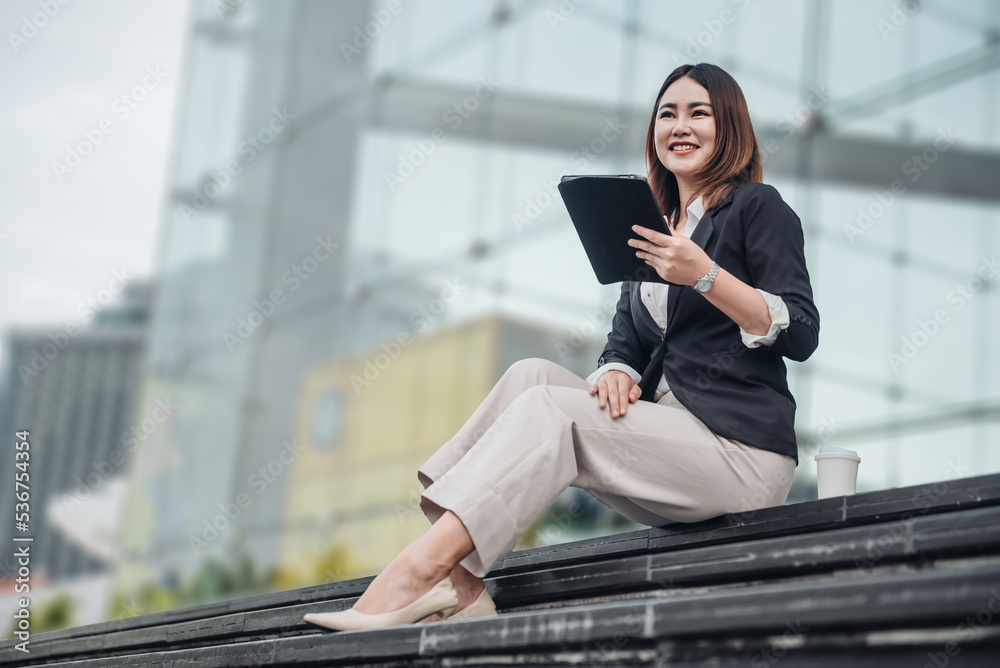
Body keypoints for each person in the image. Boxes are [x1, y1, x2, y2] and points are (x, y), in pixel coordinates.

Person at [303, 62, 820, 631]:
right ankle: (462, 582)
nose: (680, 125)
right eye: (667, 113)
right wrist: (616, 369)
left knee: (552, 410)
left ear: (730, 129)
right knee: (532, 377)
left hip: (738, 453)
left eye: (699, 113)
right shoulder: (654, 226)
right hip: (670, 446)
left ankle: (415, 573)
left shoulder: (756, 207)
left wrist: (705, 275)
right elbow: (623, 341)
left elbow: (800, 330)